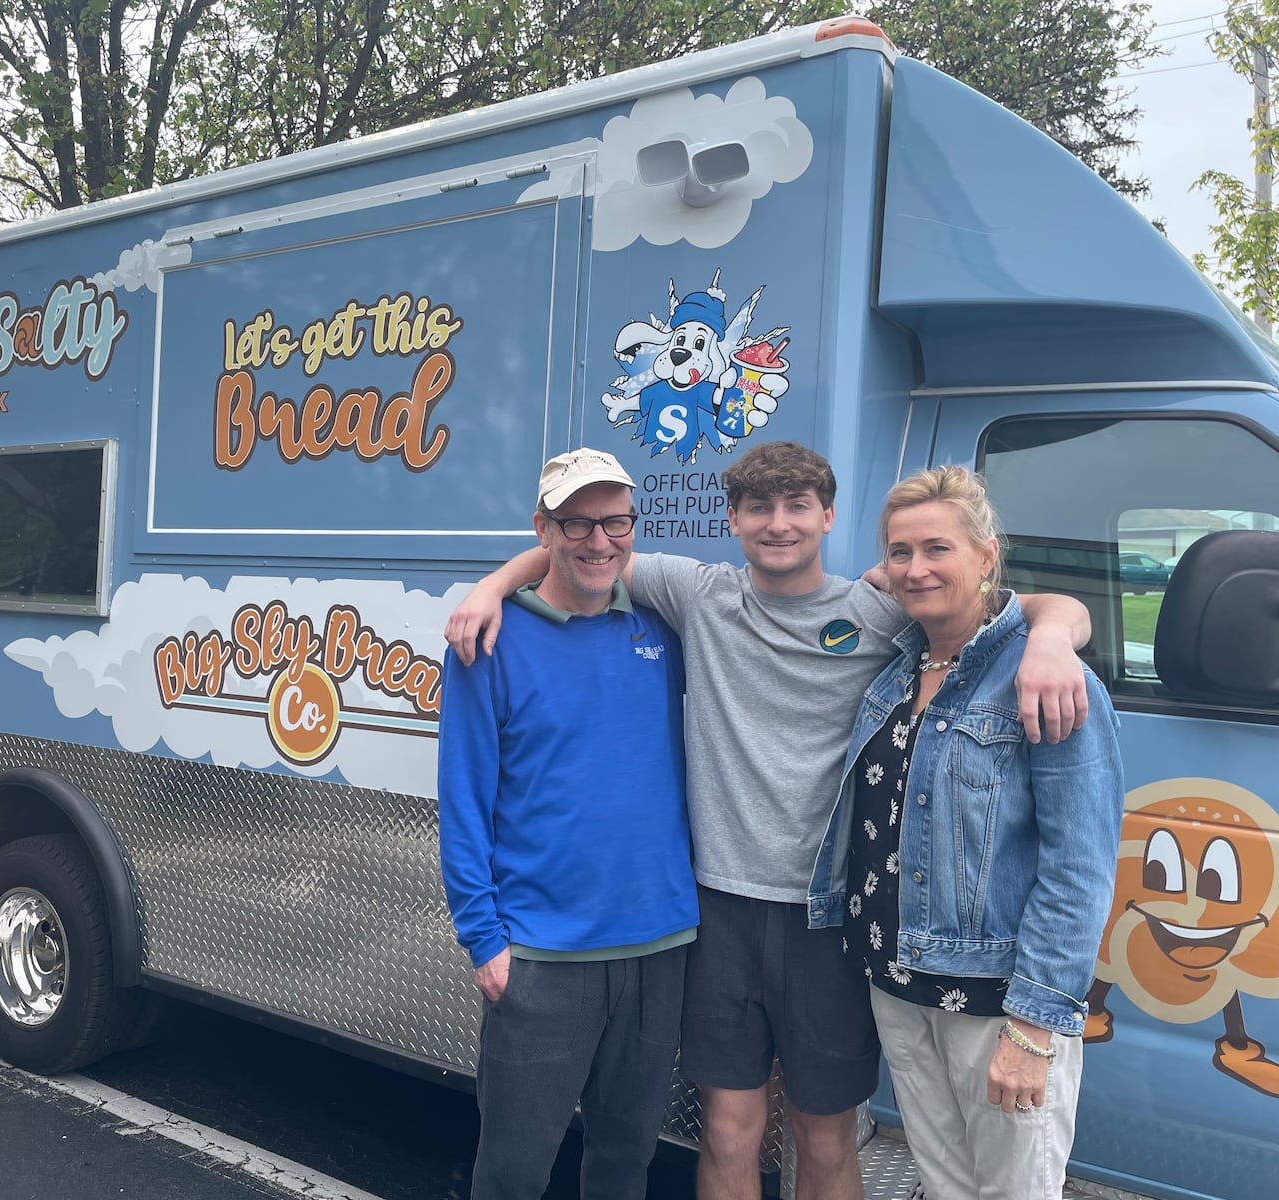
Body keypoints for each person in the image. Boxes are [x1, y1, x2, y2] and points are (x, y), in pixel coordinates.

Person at [446, 441, 1092, 1200]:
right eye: (759, 507)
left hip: (827, 921)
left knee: (822, 1139)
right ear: (732, 519)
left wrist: (1051, 635)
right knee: (726, 1131)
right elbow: (585, 548)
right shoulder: (699, 596)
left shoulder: (882, 610)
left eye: (796, 507)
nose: (777, 524)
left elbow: (1006, 610)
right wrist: (489, 586)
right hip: (714, 912)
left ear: (827, 516)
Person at [808, 466, 1124, 1199]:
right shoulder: (898, 667)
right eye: (900, 552)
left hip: (994, 1000)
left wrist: (1033, 1027)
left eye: (938, 549)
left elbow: (1079, 867)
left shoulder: (1047, 679)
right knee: (947, 1184)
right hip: (897, 982)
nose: (916, 569)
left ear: (987, 556)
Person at [438, 448, 698, 1200]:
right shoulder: (487, 642)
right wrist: (483, 938)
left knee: (624, 1164)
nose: (599, 541)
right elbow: (463, 797)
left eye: (615, 521)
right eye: (576, 523)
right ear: (543, 529)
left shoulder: (665, 626)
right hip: (542, 956)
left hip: (660, 946)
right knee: (515, 1171)